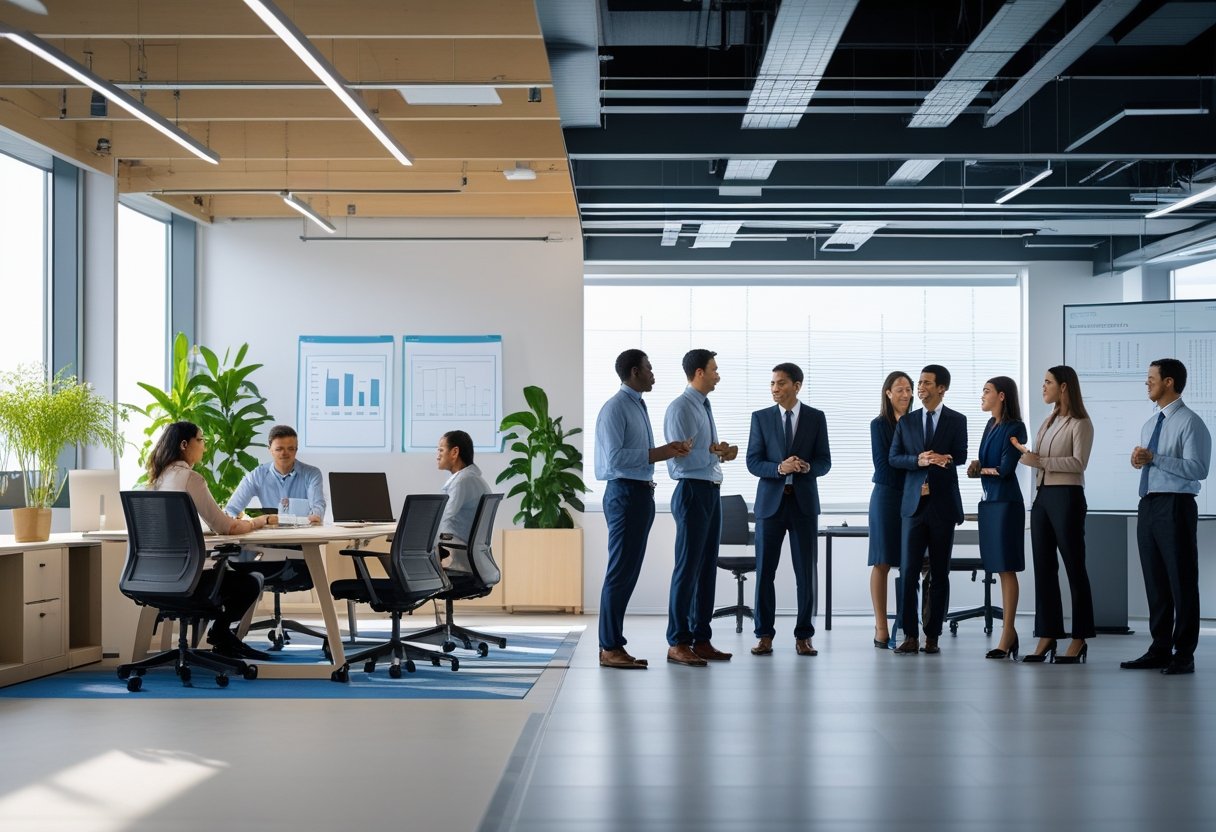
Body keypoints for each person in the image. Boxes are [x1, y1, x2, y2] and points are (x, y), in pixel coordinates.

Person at [594, 349, 691, 669]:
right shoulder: (616, 407)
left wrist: (667, 451)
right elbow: (616, 459)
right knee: (620, 572)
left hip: (639, 494)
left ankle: (613, 644)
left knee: (627, 571)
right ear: (635, 371)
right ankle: (609, 647)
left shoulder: (637, 404)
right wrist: (662, 452)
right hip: (625, 494)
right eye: (649, 368)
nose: (653, 373)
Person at [146, 420, 272, 661]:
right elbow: (227, 527)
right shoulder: (191, 479)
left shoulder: (158, 479)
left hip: (156, 577)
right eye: (201, 440)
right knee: (253, 580)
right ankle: (220, 634)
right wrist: (258, 522)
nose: (204, 447)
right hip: (187, 579)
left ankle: (221, 637)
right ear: (185, 444)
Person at [1122, 358, 1211, 676]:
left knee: (1182, 580)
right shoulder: (1150, 424)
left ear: (1169, 382)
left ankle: (1183, 654)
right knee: (1155, 581)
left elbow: (1198, 469)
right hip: (1148, 505)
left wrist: (1155, 458)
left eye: (1151, 378)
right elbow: (1152, 464)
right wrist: (1140, 461)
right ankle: (1159, 648)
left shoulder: (1190, 422)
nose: (1147, 383)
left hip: (1176, 506)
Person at [745, 363, 831, 657]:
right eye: (772, 384)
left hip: (804, 504)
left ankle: (804, 636)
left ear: (797, 385)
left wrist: (808, 467)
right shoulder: (761, 418)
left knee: (805, 573)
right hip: (770, 505)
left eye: (781, 383)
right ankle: (764, 635)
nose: (774, 389)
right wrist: (779, 468)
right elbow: (753, 462)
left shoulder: (816, 418)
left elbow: (825, 461)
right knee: (764, 572)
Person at [663, 348, 739, 667]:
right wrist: (713, 453)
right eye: (714, 369)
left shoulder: (704, 406)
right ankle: (678, 641)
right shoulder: (681, 407)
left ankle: (701, 638)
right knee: (688, 567)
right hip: (692, 491)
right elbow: (679, 459)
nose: (718, 375)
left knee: (707, 567)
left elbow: (702, 453)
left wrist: (721, 452)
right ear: (699, 373)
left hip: (710, 491)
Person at [1017, 365, 1094, 664]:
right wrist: (1030, 458)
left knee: (1075, 568)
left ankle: (1079, 637)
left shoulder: (1080, 422)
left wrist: (1040, 461)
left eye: (1047, 382)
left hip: (1067, 497)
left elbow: (1079, 462)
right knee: (1044, 568)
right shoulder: (1048, 421)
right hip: (1043, 498)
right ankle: (1047, 634)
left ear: (1064, 387)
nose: (1043, 387)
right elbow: (1041, 460)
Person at [889, 364, 967, 655]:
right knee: (908, 572)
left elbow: (959, 454)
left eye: (925, 383)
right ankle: (909, 635)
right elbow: (894, 458)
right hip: (914, 506)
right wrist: (919, 461)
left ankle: (932, 635)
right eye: (918, 382)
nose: (919, 388)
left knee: (939, 573)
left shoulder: (957, 420)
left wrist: (944, 460)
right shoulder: (906, 422)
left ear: (941, 388)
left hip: (942, 505)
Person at [967, 376, 1027, 660]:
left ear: (1002, 396)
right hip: (990, 502)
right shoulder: (990, 425)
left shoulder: (1016, 427)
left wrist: (980, 470)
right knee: (996, 566)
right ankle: (1009, 634)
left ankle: (1007, 632)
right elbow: (989, 464)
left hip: (1006, 503)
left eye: (986, 391)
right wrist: (978, 465)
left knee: (1007, 568)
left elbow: (1004, 469)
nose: (982, 395)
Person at [868, 371, 913, 649]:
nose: (906, 394)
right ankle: (881, 626)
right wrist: (914, 468)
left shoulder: (918, 423)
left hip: (915, 499)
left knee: (911, 563)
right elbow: (883, 467)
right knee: (882, 561)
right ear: (888, 393)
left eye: (909, 389)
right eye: (899, 389)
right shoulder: (878, 425)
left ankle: (908, 625)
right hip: (886, 497)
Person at [225, 424, 327, 523]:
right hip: (269, 535)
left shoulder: (312, 474)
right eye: (279, 449)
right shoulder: (257, 475)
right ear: (270, 450)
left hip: (303, 535)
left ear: (296, 450)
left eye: (290, 449)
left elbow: (317, 512)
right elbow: (231, 510)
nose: (284, 453)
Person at [435, 429, 492, 574]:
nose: (437, 456)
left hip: (457, 556)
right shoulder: (471, 479)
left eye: (441, 450)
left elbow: (443, 518)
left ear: (454, 452)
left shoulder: (462, 481)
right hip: (466, 554)